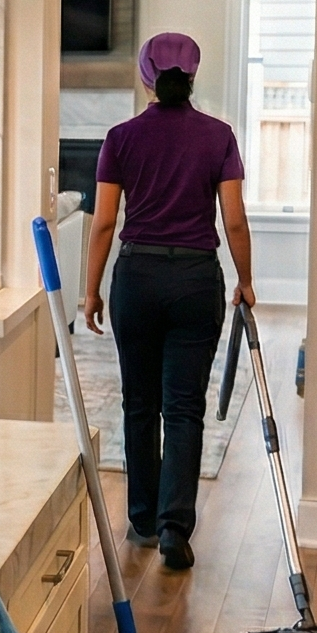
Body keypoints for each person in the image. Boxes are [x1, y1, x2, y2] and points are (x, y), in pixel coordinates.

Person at [81, 31, 255, 571]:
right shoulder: (219, 136)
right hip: (197, 280)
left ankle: (141, 517)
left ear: (145, 75)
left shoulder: (121, 137)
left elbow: (106, 221)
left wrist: (91, 290)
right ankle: (175, 526)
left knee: (140, 402)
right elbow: (233, 219)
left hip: (137, 277)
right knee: (184, 407)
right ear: (193, 75)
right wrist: (245, 281)